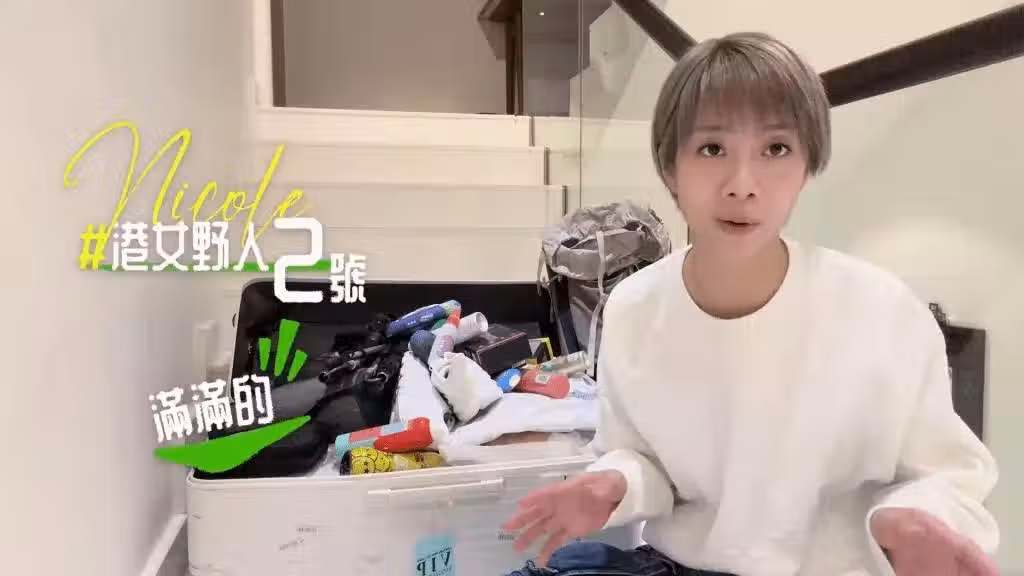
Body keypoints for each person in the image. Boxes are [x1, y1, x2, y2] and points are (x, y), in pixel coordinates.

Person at [502, 32, 999, 576]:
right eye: (712, 149)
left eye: (776, 149)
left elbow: (949, 475)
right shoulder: (634, 307)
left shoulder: (884, 312)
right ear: (670, 168)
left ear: (808, 166)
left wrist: (915, 518)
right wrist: (615, 482)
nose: (743, 185)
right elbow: (645, 461)